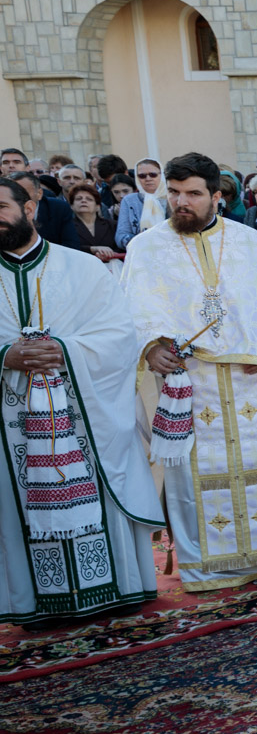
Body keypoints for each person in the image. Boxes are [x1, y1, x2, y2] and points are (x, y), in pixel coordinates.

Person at [123, 152, 257, 592]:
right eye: (175, 193)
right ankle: (208, 564)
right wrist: (150, 349)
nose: (182, 202)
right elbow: (134, 311)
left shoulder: (246, 242)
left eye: (193, 194)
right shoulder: (145, 248)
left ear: (217, 196)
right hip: (187, 385)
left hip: (250, 380)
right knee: (193, 477)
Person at [0, 176, 166, 624]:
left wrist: (66, 351)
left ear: (29, 208)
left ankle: (119, 587)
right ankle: (33, 602)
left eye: (1, 206)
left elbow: (119, 336)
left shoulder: (82, 268)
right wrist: (6, 355)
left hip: (82, 409)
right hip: (11, 418)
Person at [113, 157, 166, 248]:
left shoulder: (172, 197)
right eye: (142, 176)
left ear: (162, 175)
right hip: (140, 254)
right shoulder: (129, 201)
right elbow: (120, 237)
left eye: (153, 174)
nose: (148, 178)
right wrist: (140, 239)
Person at [67, 184, 118, 259]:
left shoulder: (112, 225)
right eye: (78, 199)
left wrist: (109, 254)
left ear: (98, 207)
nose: (83, 201)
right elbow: (66, 248)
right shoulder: (66, 227)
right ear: (72, 206)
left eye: (89, 199)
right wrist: (91, 249)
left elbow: (120, 248)